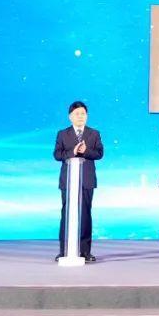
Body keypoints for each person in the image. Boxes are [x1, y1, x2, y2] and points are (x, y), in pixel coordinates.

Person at [53, 101, 104, 262]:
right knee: (66, 214)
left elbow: (99, 154)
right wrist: (72, 152)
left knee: (85, 215)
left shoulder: (94, 133)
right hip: (68, 181)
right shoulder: (63, 134)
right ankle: (64, 251)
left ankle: (85, 251)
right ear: (70, 117)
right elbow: (57, 155)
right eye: (77, 114)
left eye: (83, 113)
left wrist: (86, 151)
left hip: (86, 180)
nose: (80, 116)